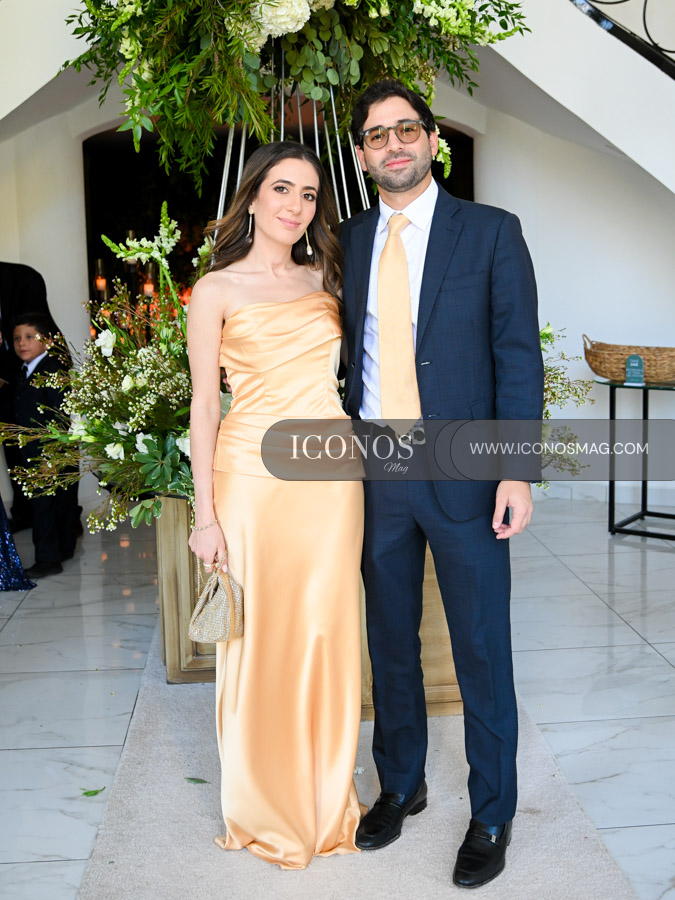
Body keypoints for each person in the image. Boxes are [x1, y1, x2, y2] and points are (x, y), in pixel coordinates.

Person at [340, 80, 544, 888]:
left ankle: (491, 810)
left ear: (431, 141)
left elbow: (517, 358)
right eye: (376, 135)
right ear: (360, 155)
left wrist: (516, 472)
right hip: (375, 467)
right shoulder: (347, 240)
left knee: (479, 647)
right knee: (388, 639)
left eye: (406, 130)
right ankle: (402, 782)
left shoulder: (491, 232)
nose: (393, 144)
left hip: (464, 468)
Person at [187, 142, 363, 869]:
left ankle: (326, 797)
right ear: (253, 197)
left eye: (310, 194)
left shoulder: (327, 278)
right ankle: (261, 803)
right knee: (258, 640)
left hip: (331, 478)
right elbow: (203, 404)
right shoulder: (215, 290)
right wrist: (205, 515)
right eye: (282, 189)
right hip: (251, 481)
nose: (295, 206)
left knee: (326, 629)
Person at [12, 313, 80, 578]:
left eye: (30, 337)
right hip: (38, 451)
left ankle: (48, 559)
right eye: (17, 338)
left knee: (46, 507)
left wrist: (52, 455)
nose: (22, 343)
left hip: (51, 451)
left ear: (47, 341)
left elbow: (61, 415)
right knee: (51, 505)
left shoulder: (52, 369)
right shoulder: (28, 369)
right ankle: (62, 549)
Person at [0, 262, 53, 532]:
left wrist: (8, 374)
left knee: (39, 464)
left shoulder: (22, 278)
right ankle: (22, 513)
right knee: (14, 452)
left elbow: (28, 338)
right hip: (11, 384)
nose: (23, 340)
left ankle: (51, 533)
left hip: (27, 378)